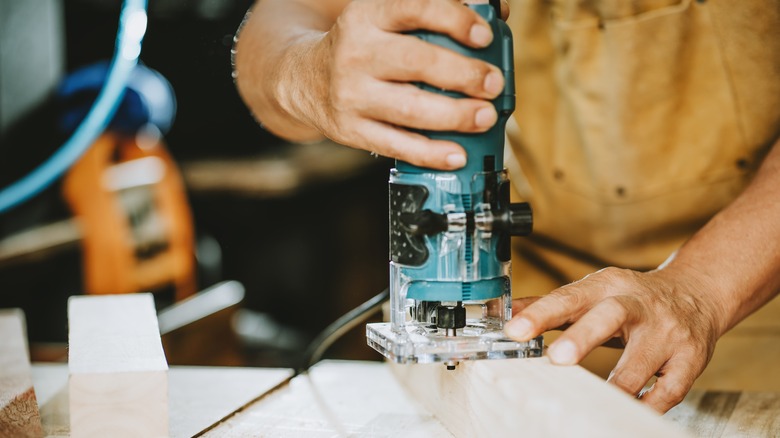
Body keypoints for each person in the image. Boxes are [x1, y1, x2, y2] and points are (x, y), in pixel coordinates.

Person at [233, 0, 780, 413]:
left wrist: (698, 290)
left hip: (742, 319)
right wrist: (306, 74)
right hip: (524, 326)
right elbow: (279, 19)